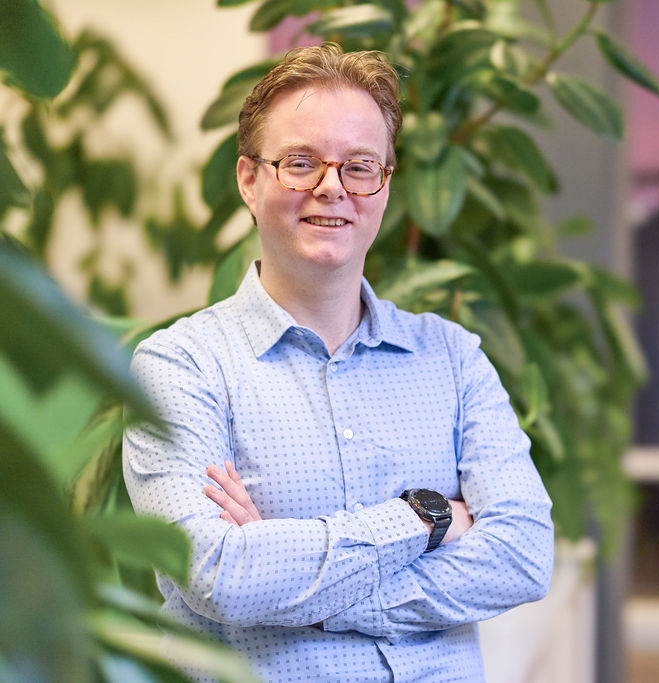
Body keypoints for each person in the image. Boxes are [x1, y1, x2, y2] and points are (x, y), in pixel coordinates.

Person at [123, 44, 554, 683]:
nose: (333, 187)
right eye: (301, 162)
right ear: (248, 178)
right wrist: (424, 518)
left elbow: (523, 556)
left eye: (359, 166)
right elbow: (216, 574)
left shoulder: (454, 358)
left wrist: (301, 590)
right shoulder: (180, 367)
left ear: (385, 181)